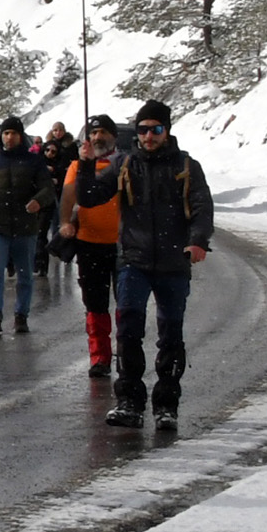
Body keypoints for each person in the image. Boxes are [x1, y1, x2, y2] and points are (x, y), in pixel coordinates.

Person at [108, 98, 216, 429]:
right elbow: (92, 195)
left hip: (173, 263)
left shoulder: (186, 166)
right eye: (143, 130)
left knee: (170, 336)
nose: (149, 136)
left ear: (166, 131)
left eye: (155, 129)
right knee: (128, 331)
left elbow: (202, 207)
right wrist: (84, 167)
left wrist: (197, 240)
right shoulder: (125, 164)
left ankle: (166, 405)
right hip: (133, 262)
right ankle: (129, 401)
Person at [51, 116, 125, 382]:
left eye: (103, 132)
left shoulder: (123, 164)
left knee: (125, 304)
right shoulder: (77, 166)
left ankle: (125, 354)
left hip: (122, 246)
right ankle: (99, 357)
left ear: (113, 136)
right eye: (93, 132)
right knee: (95, 305)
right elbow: (68, 197)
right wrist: (64, 223)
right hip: (89, 243)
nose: (97, 137)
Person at [0, 116, 53, 335]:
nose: (9, 137)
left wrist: (38, 201)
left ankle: (21, 316)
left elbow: (48, 189)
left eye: (13, 133)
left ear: (21, 136)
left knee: (25, 274)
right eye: (5, 133)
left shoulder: (34, 162)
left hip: (25, 227)